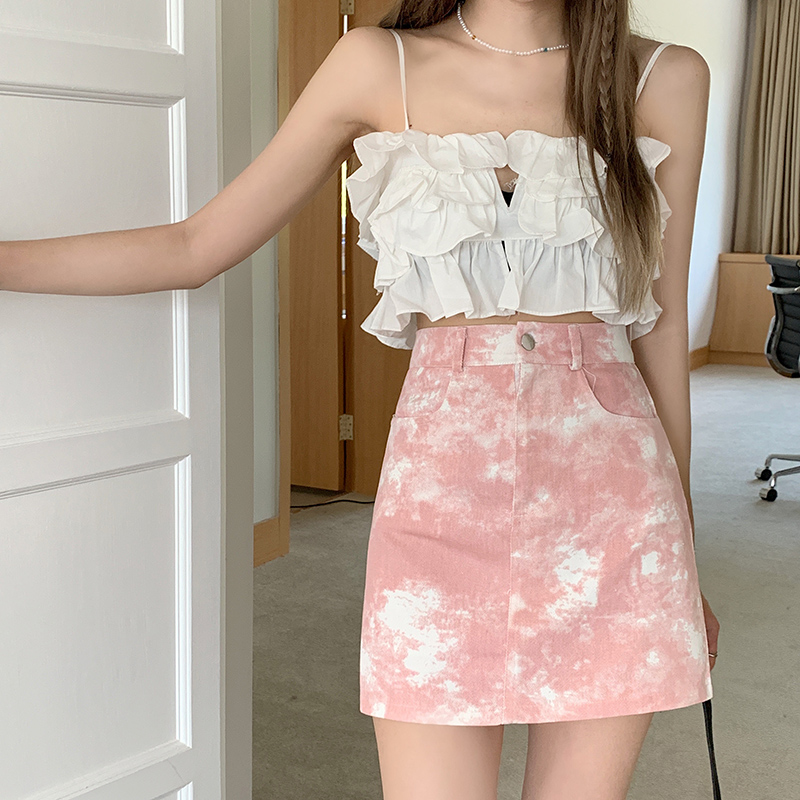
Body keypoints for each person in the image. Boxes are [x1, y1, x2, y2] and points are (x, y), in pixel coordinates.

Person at [0, 0, 720, 797]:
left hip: (618, 515)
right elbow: (194, 246)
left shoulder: (664, 78)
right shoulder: (379, 64)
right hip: (440, 510)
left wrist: (682, 557)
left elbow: (660, 327)